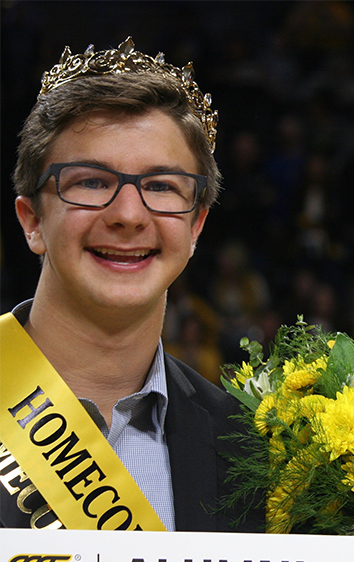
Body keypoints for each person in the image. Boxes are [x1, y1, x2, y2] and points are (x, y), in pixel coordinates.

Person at [0, 38, 262, 532]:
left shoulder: (249, 447)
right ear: (32, 219)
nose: (127, 215)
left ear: (195, 226)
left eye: (162, 186)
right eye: (91, 182)